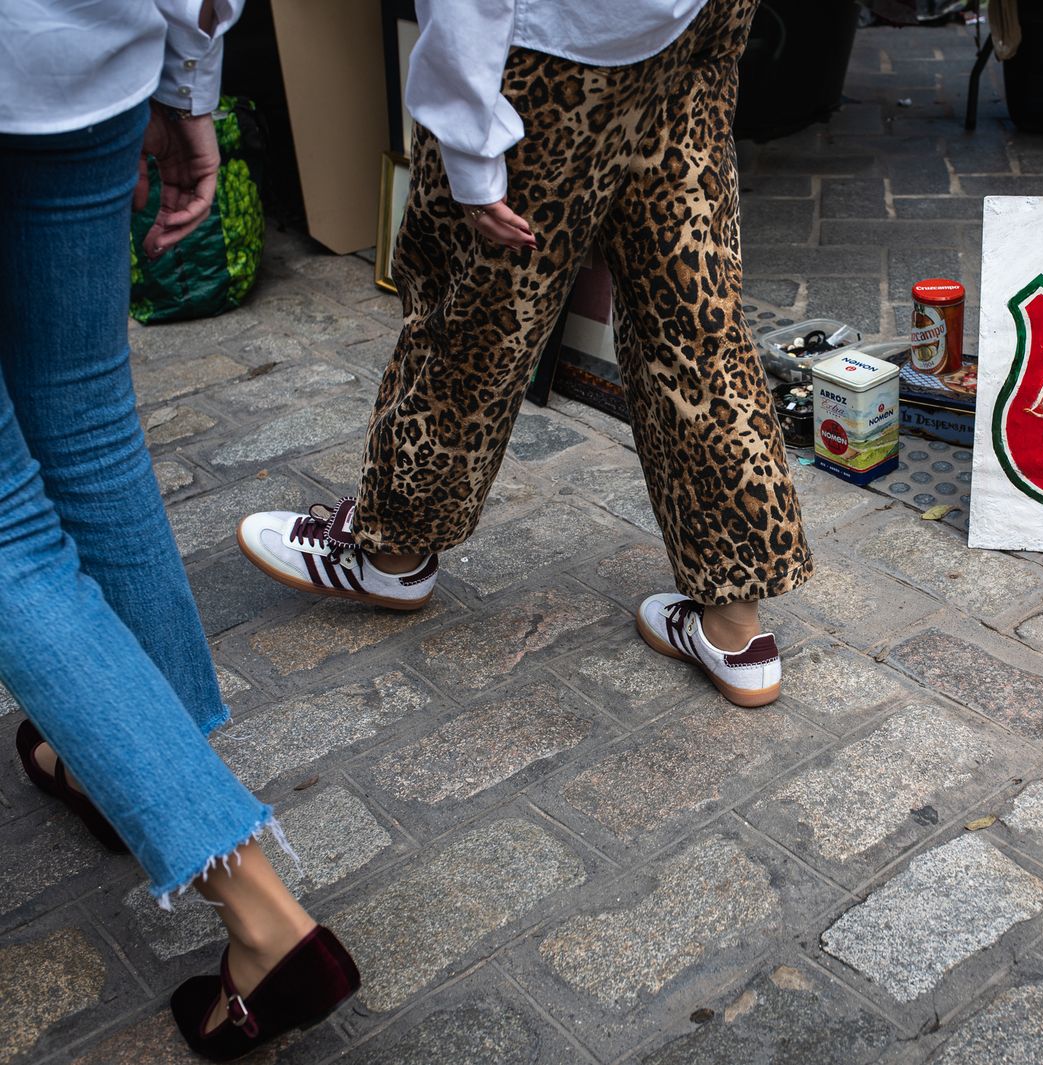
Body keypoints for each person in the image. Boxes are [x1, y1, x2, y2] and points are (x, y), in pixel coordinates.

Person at [236, 0, 812, 707]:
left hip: (564, 49)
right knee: (693, 322)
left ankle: (392, 550)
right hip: (694, 27)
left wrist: (472, 144)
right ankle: (735, 627)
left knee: (479, 319)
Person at [0, 2, 358, 1057]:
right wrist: (184, 75)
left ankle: (260, 917)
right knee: (88, 422)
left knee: (8, 526)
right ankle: (121, 770)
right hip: (86, 56)